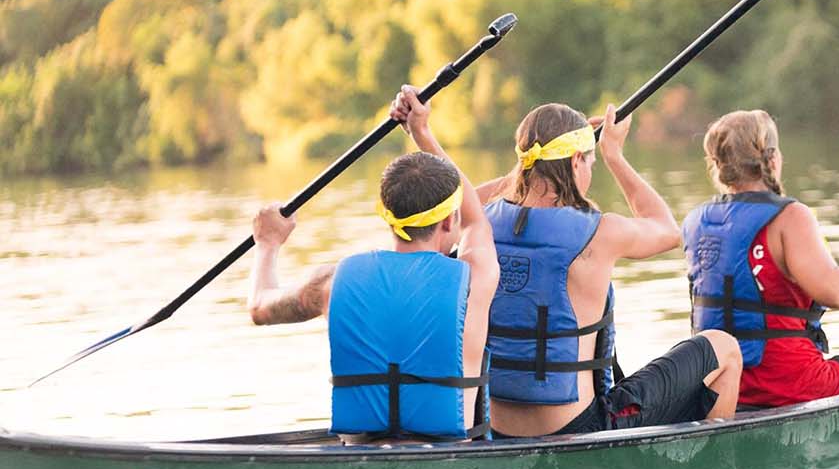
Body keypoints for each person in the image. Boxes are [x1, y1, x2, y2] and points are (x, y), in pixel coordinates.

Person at [473, 102, 742, 438]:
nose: (591, 170)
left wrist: (534, 164)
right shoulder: (601, 232)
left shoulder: (481, 222)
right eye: (590, 163)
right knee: (724, 347)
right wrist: (614, 154)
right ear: (575, 162)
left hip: (498, 427)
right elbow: (668, 230)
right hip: (576, 426)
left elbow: (462, 199)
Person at [247, 86, 499, 442]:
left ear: (388, 216)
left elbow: (259, 307)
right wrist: (421, 133)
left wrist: (267, 244)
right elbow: (476, 219)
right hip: (450, 459)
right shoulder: (474, 279)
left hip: (362, 462)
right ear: (448, 220)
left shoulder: (331, 284)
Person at [681, 109, 839, 408]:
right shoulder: (789, 217)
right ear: (773, 159)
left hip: (721, 386)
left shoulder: (695, 221)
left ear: (719, 166)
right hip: (789, 384)